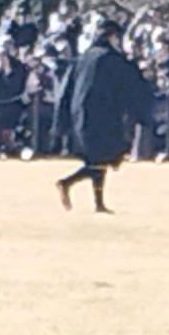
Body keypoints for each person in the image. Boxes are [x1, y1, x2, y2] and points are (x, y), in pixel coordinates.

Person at [53, 20, 150, 213]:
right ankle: (66, 183)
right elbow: (129, 86)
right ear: (112, 37)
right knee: (102, 159)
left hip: (81, 115)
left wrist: (61, 120)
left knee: (97, 160)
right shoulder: (111, 59)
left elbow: (66, 89)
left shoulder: (84, 58)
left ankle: (99, 203)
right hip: (103, 116)